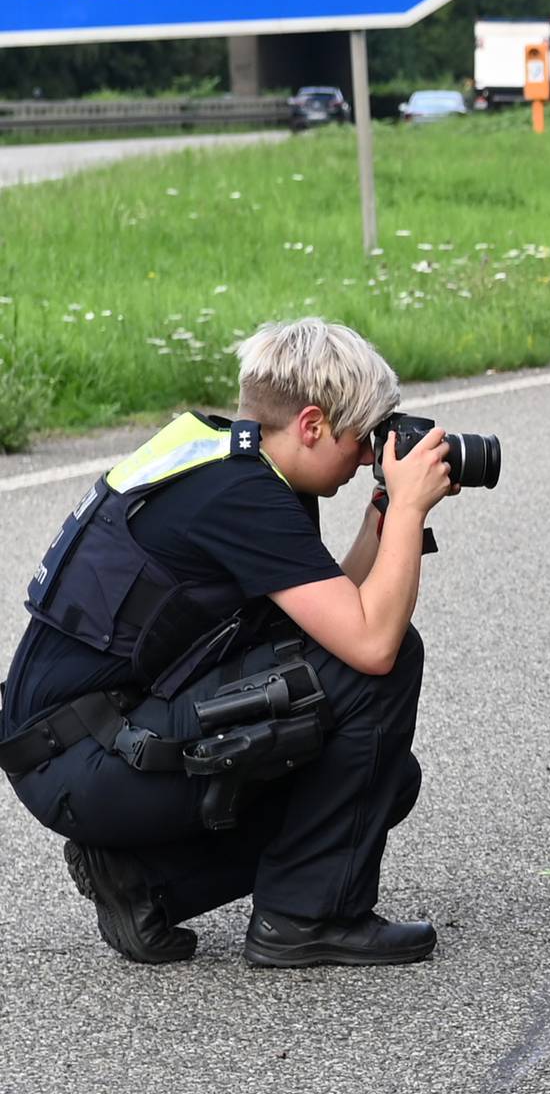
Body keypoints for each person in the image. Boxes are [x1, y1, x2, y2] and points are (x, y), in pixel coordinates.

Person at [0, 318, 453, 967]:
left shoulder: (231, 460)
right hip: (86, 753)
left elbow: (324, 612)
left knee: (382, 779)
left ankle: (144, 882)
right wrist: (409, 513)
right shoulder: (241, 494)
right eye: (360, 439)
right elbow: (372, 644)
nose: (365, 456)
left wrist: (385, 507)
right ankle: (306, 918)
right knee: (387, 665)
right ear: (312, 424)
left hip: (81, 742)